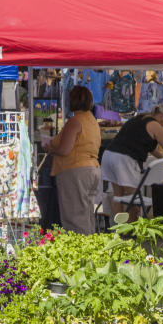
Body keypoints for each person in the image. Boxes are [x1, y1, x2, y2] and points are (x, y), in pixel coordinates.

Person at [101, 103, 163, 215]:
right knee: (133, 200)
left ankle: (118, 229)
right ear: (162, 116)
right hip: (124, 159)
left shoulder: (139, 119)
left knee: (118, 197)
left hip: (109, 155)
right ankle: (131, 231)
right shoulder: (154, 124)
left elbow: (152, 149)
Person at [43, 86, 101, 234]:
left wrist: (50, 148)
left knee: (74, 217)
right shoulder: (92, 120)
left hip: (74, 171)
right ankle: (91, 248)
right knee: (87, 214)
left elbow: (64, 150)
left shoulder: (75, 122)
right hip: (92, 169)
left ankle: (79, 251)